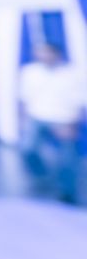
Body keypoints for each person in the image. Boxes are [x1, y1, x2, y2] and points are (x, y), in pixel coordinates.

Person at [19, 44, 83, 204]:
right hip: (37, 116)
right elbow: (23, 98)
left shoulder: (71, 74)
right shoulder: (30, 72)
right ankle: (42, 176)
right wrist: (22, 120)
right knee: (28, 149)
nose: (44, 55)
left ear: (57, 54)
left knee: (67, 158)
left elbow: (81, 100)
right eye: (41, 52)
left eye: (47, 52)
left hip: (63, 118)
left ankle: (67, 191)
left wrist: (73, 124)